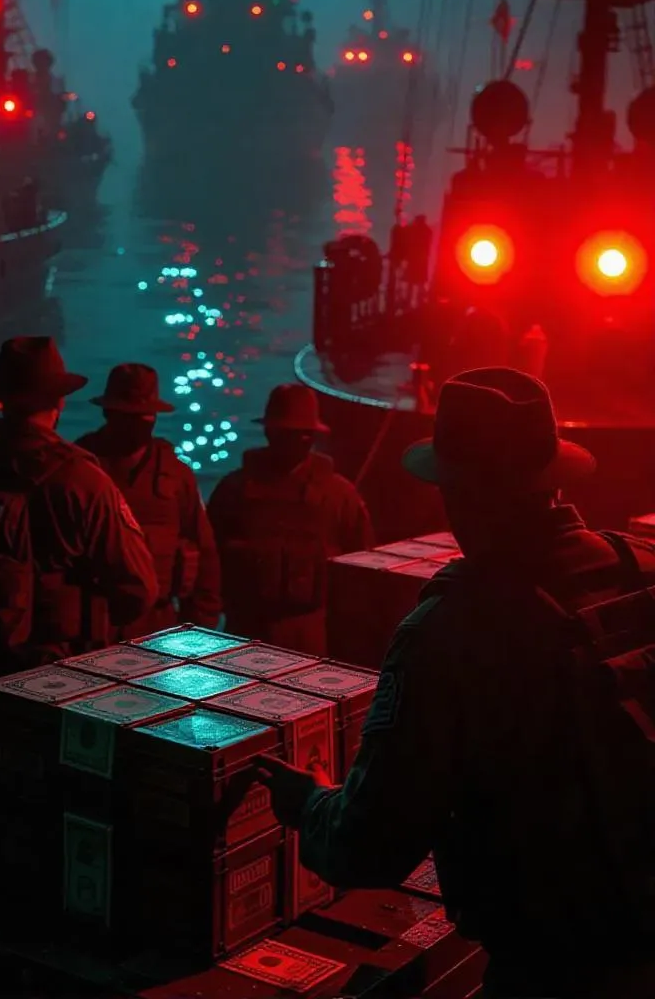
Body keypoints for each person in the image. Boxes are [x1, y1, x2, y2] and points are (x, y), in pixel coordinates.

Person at [258, 368, 655, 999]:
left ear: (459, 493)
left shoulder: (452, 630)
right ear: (552, 479)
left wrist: (309, 804)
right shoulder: (642, 569)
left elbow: (369, 845)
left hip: (554, 971)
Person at [0, 337, 159, 761]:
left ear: (1, 399)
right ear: (59, 401)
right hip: (52, 684)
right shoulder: (80, 479)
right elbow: (138, 588)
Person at [208, 383, 373, 653]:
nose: (295, 441)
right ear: (269, 432)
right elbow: (209, 561)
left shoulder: (340, 495)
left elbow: (361, 570)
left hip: (310, 630)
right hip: (246, 628)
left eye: (302, 434)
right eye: (286, 433)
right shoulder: (234, 491)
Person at [76, 363, 221, 633]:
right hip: (91, 621)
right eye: (128, 415)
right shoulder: (80, 467)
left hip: (157, 621)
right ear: (108, 413)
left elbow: (204, 552)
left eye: (144, 415)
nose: (138, 423)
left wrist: (201, 626)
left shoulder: (175, 474)